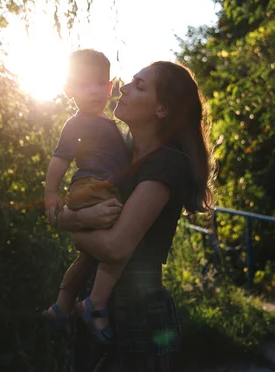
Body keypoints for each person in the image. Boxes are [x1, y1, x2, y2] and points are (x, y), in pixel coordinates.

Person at [57, 61, 213, 371]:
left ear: (161, 110)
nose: (124, 88)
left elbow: (115, 247)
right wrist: (73, 220)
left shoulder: (167, 164)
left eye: (140, 86)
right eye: (131, 81)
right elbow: (63, 212)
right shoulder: (118, 155)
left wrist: (75, 227)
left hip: (139, 314)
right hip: (95, 304)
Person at [42, 49, 131, 342]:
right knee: (121, 241)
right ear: (69, 90)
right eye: (84, 84)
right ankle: (96, 305)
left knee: (91, 254)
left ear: (109, 87)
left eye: (99, 84)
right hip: (91, 187)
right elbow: (59, 159)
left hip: (102, 189)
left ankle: (62, 305)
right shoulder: (77, 123)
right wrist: (51, 192)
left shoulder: (109, 123)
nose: (94, 91)